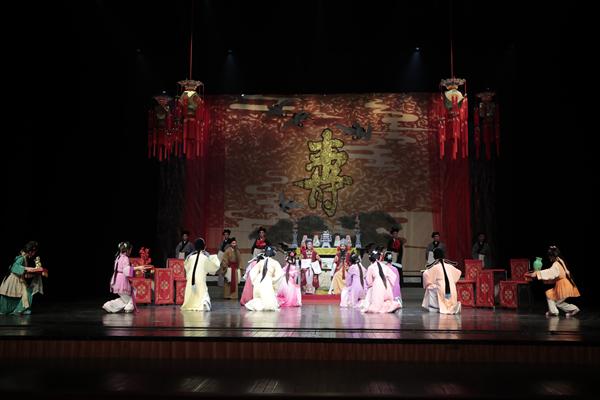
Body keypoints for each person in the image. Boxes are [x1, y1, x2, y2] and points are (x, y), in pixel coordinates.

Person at [525, 246, 580, 317]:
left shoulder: (556, 264)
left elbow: (550, 273)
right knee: (557, 302)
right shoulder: (560, 262)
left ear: (553, 256)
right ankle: (574, 309)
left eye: (550, 256)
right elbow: (555, 277)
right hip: (565, 285)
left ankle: (554, 311)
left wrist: (538, 273)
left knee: (550, 295)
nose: (549, 258)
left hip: (563, 287)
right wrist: (541, 277)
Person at [0, 241, 45, 315]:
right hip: (13, 280)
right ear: (30, 252)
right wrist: (33, 269)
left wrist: (36, 274)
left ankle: (20, 309)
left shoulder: (24, 258)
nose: (34, 254)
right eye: (34, 252)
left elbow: (24, 275)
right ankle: (16, 310)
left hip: (19, 279)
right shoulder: (21, 258)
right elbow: (14, 268)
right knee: (16, 295)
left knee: (27, 293)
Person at [102, 242, 148, 313]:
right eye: (130, 250)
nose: (131, 252)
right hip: (121, 280)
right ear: (128, 250)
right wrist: (138, 268)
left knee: (127, 297)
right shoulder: (125, 258)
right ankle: (126, 308)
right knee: (130, 297)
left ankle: (109, 305)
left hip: (117, 279)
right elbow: (126, 270)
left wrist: (137, 269)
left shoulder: (118, 257)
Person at [181, 238, 220, 311]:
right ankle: (204, 303)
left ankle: (190, 304)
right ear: (204, 247)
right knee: (203, 292)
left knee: (190, 292)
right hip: (200, 279)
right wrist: (211, 256)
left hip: (190, 279)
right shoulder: (205, 257)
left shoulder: (190, 257)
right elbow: (214, 267)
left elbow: (186, 266)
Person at [422, 248, 462, 314]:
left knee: (429, 287)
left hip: (442, 291)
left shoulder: (435, 267)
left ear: (434, 257)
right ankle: (452, 307)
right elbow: (458, 272)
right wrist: (452, 281)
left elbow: (426, 274)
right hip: (452, 291)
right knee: (442, 289)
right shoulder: (449, 266)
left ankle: (435, 308)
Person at [245, 246, 284, 311]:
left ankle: (257, 305)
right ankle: (264, 306)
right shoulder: (275, 263)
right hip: (267, 280)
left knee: (258, 296)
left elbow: (253, 272)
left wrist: (254, 281)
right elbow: (279, 274)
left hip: (259, 280)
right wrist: (273, 281)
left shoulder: (261, 262)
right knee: (266, 296)